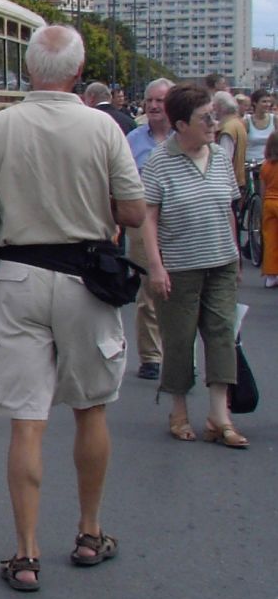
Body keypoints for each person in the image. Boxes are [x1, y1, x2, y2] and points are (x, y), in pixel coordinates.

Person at [0, 26, 145, 593]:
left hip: (19, 275)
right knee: (91, 408)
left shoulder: (2, 126)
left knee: (27, 419)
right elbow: (133, 212)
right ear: (77, 69)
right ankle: (89, 533)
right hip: (87, 276)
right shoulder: (103, 126)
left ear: (29, 70)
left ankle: (25, 553)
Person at [139, 83, 246, 448]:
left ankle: (220, 416)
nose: (213, 123)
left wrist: (235, 253)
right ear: (181, 124)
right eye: (205, 118)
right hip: (181, 265)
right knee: (180, 338)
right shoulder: (159, 161)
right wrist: (156, 266)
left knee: (221, 334)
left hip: (221, 261)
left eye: (214, 115)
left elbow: (228, 208)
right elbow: (148, 218)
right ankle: (179, 410)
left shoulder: (218, 156)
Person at [125, 79, 174, 380]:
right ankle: (151, 356)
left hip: (179, 224)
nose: (154, 106)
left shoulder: (183, 138)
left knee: (178, 289)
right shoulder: (133, 139)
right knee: (149, 289)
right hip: (144, 223)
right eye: (149, 100)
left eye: (160, 100)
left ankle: (178, 352)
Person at [212, 90, 247, 194]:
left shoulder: (227, 129)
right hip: (238, 180)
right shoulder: (238, 124)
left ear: (219, 107)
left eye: (214, 106)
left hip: (229, 185)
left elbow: (224, 160)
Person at [261, 130, 278, 289]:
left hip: (269, 203)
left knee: (271, 239)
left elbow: (263, 189)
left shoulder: (266, 166)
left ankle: (271, 275)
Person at [245, 89, 273, 167]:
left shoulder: (275, 120)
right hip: (250, 163)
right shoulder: (246, 121)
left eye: (269, 102)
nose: (267, 104)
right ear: (255, 103)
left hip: (269, 163)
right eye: (264, 101)